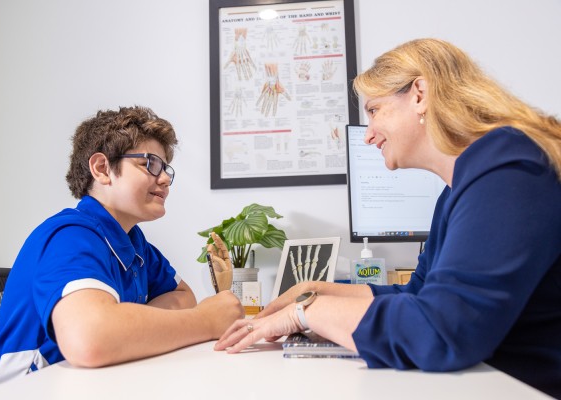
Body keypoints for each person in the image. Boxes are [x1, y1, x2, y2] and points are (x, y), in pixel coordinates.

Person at [215, 38, 561, 398]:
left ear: (419, 94)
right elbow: (418, 294)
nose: (367, 136)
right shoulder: (457, 191)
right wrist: (312, 291)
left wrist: (308, 312)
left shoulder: (510, 170)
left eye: (374, 110)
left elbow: (441, 330)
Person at [0, 106, 244, 397]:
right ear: (101, 169)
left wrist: (124, 325)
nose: (163, 179)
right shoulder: (70, 236)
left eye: (165, 169)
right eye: (150, 164)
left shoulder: (135, 244)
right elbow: (89, 339)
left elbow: (183, 297)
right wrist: (207, 321)